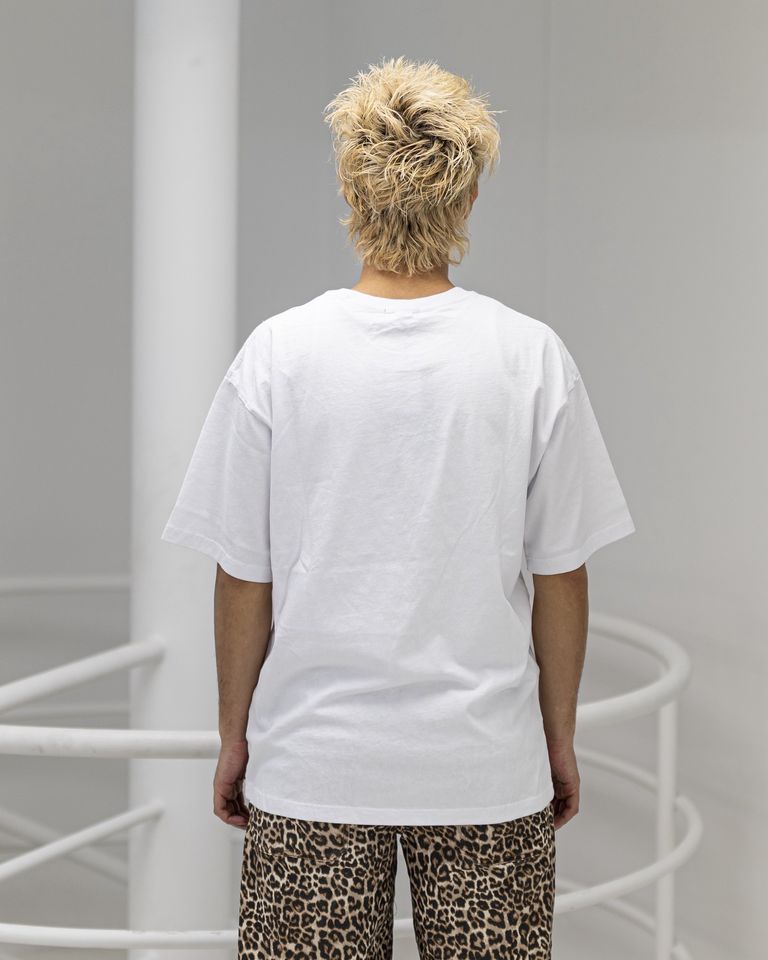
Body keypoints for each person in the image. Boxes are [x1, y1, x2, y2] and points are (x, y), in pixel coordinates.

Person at [161, 55, 636, 960]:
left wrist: (235, 736)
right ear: (469, 195)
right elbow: (561, 574)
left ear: (350, 189)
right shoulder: (529, 356)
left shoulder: (279, 354)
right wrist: (556, 741)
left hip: (312, 766)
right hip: (485, 768)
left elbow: (242, 575)